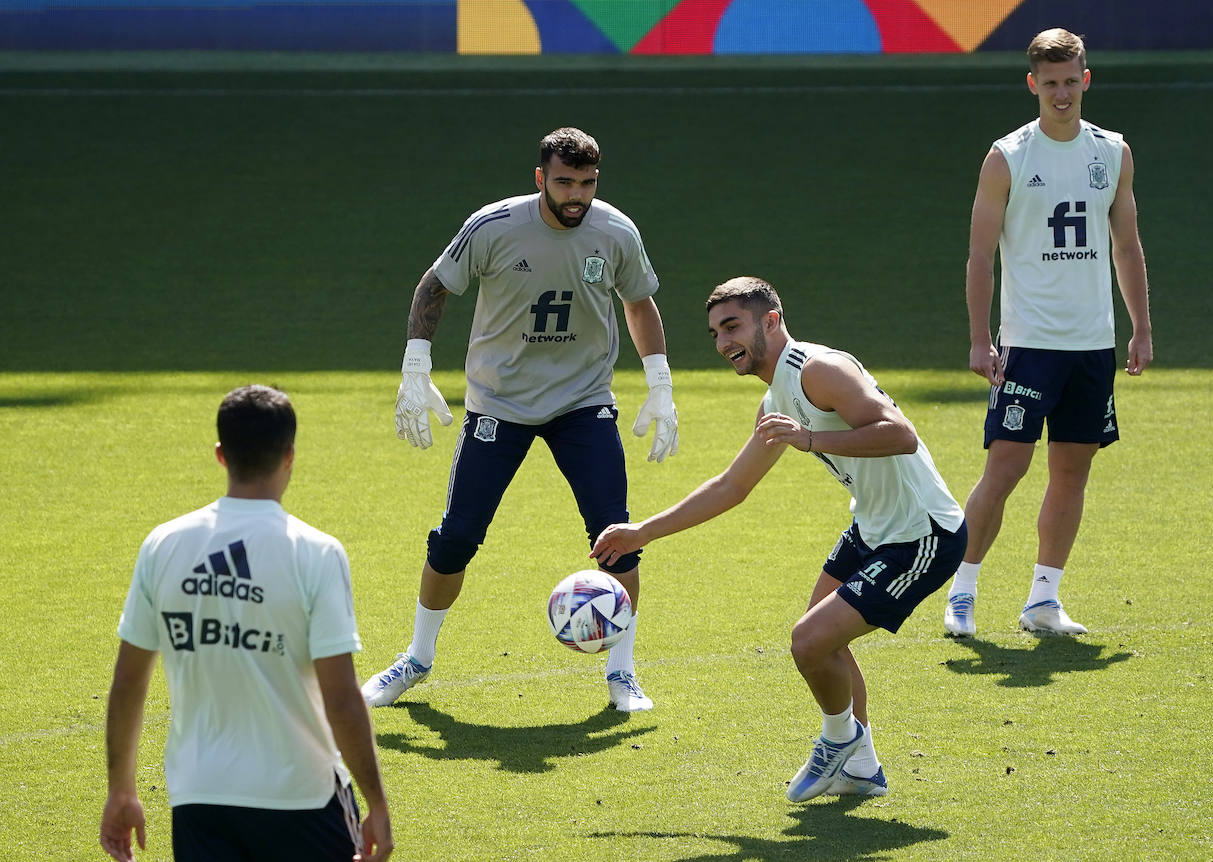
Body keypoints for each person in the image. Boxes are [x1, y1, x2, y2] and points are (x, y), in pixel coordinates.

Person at [591, 277, 967, 802]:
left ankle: (839, 741)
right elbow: (731, 486)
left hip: (922, 533)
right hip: (872, 527)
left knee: (809, 641)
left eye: (732, 326)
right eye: (715, 333)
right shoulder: (775, 398)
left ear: (770, 321)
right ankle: (862, 766)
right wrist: (640, 532)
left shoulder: (819, 370)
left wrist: (810, 439)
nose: (723, 343)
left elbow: (900, 434)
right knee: (822, 642)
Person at [363, 127, 677, 713]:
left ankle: (622, 672)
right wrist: (415, 366)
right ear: (541, 179)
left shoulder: (615, 231)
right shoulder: (494, 227)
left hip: (583, 399)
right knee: (455, 538)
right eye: (563, 182)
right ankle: (417, 657)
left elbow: (638, 301)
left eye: (585, 183)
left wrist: (659, 383)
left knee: (617, 538)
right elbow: (436, 284)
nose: (575, 194)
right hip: (499, 403)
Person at [99, 385, 392, 862]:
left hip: (200, 798)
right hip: (302, 795)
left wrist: (121, 791)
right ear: (290, 455)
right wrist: (376, 803)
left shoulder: (163, 545)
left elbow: (129, 680)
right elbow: (340, 697)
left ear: (221, 454)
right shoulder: (315, 553)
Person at [944, 27, 1153, 639]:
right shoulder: (1007, 156)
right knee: (1005, 468)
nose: (1061, 94)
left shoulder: (1112, 152)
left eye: (1071, 82)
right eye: (1050, 83)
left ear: (1085, 80)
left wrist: (1139, 328)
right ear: (1033, 84)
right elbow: (980, 256)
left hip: (1092, 344)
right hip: (1028, 343)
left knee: (1072, 472)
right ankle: (961, 590)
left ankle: (1043, 599)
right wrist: (981, 339)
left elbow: (1127, 244)